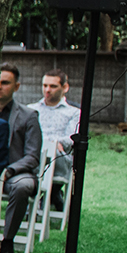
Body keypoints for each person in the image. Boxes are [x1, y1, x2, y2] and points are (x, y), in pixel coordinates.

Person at [0, 64, 44, 253]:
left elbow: (32, 157)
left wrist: (10, 170)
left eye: (5, 83)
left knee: (22, 187)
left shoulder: (29, 116)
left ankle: (7, 240)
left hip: (17, 173)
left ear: (16, 87)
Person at [31, 70, 80, 210]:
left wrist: (54, 143)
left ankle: (51, 193)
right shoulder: (31, 109)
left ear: (65, 88)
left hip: (58, 157)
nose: (47, 90)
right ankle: (47, 195)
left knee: (52, 151)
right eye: (45, 85)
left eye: (53, 86)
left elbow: (72, 137)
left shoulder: (74, 112)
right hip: (34, 154)